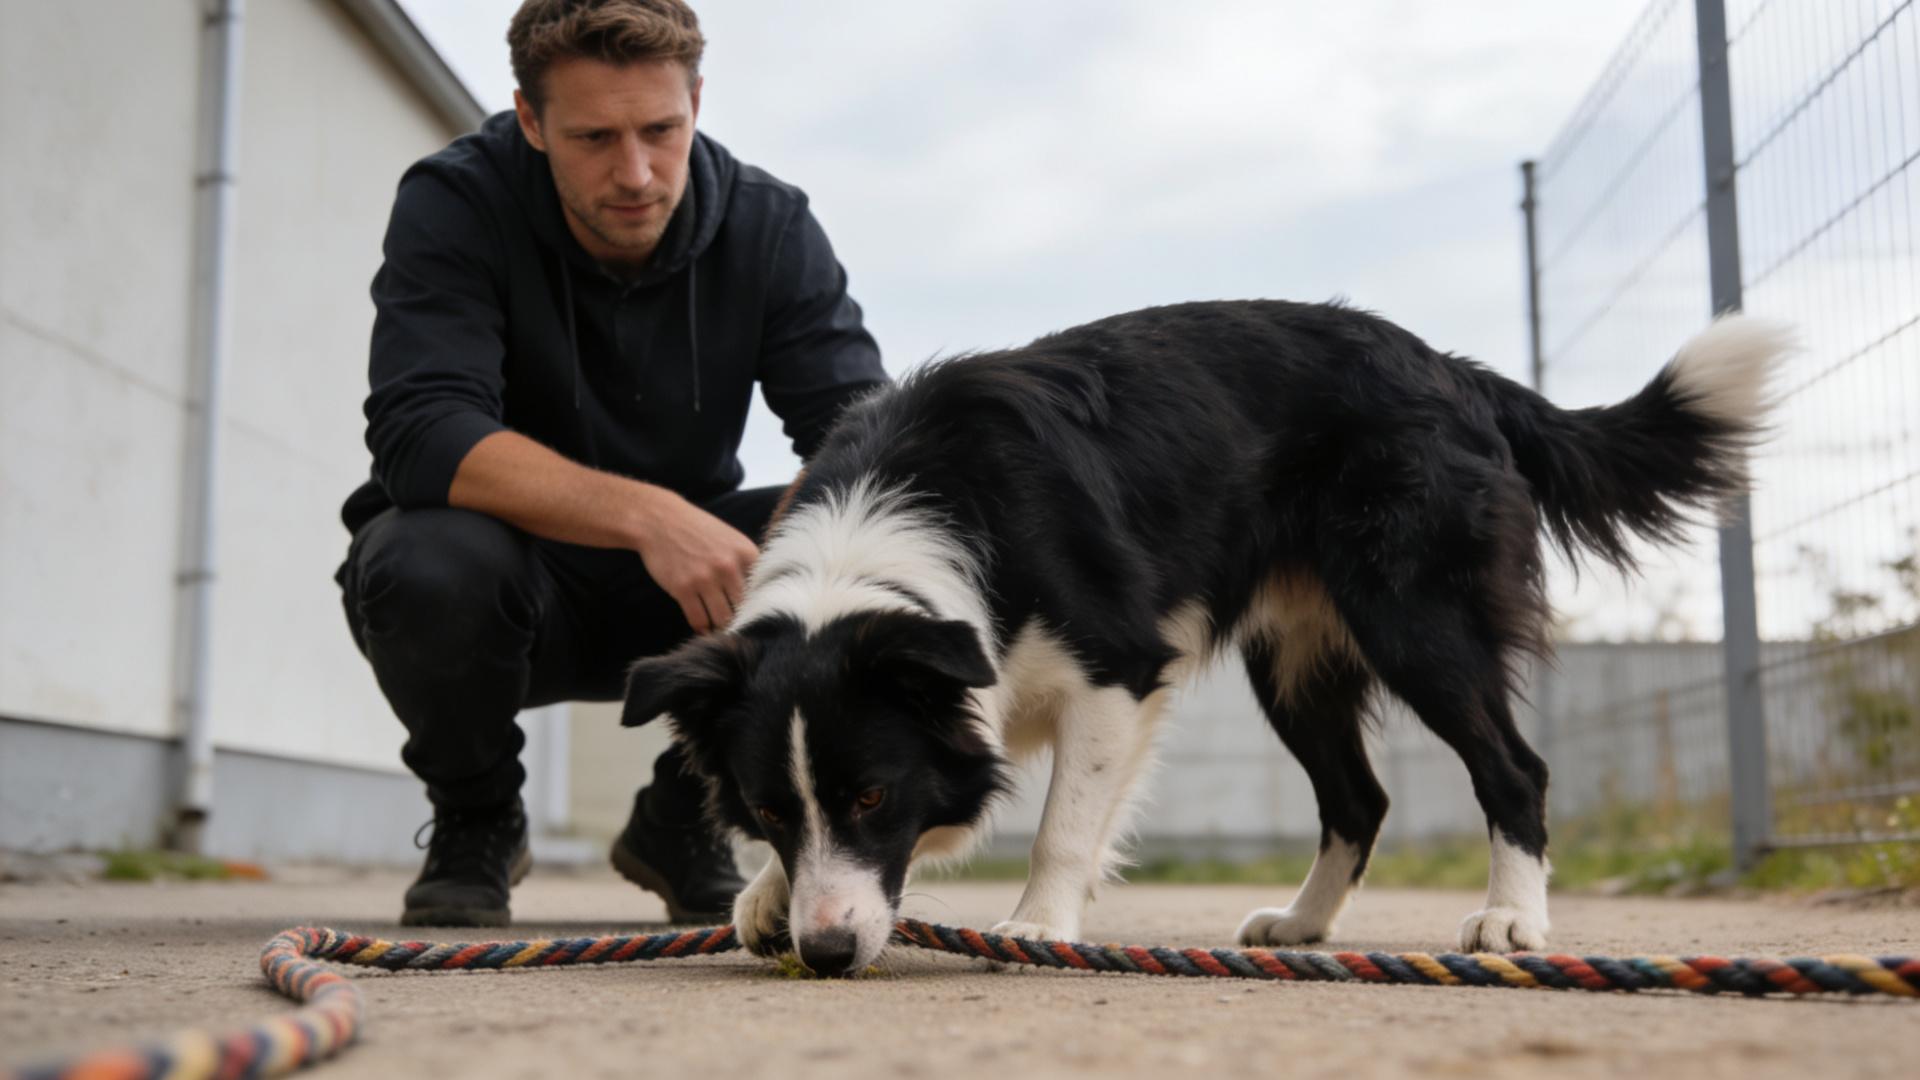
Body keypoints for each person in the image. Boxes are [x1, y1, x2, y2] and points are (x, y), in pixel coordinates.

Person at [334, 0, 887, 927]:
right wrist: (651, 517)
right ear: (529, 119)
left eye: (660, 130)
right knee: (420, 557)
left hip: (688, 604)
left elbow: (866, 435)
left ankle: (688, 815)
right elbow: (420, 430)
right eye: (593, 137)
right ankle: (475, 818)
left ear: (697, 101)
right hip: (503, 584)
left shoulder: (772, 225)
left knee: (866, 539)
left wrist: (775, 549)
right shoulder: (455, 200)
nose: (635, 173)